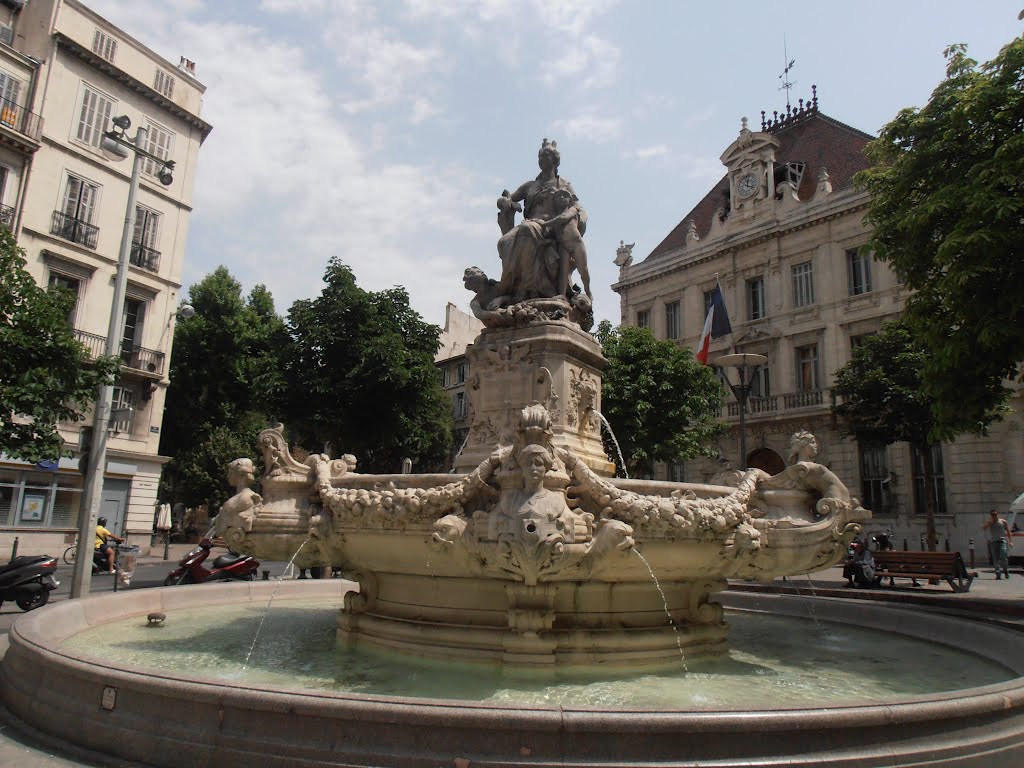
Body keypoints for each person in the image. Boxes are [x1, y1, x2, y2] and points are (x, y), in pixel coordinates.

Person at [493, 139, 589, 306]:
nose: (541, 160)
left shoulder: (563, 184)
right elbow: (508, 199)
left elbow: (576, 207)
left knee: (526, 230)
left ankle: (526, 290)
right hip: (531, 223)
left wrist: (570, 218)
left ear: (554, 160)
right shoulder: (530, 185)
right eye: (539, 157)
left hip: (550, 227)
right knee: (504, 241)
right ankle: (510, 286)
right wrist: (504, 202)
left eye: (545, 156)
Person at [983, 509, 1012, 579]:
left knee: (1003, 556)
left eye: (995, 514)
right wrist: (989, 523)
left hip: (1002, 541)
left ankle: (1005, 570)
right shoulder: (990, 522)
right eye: (992, 515)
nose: (994, 516)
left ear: (997, 514)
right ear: (991, 515)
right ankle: (998, 574)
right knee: (995, 559)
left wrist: (1010, 541)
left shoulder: (1003, 521)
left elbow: (1008, 531)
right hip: (993, 542)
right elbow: (984, 528)